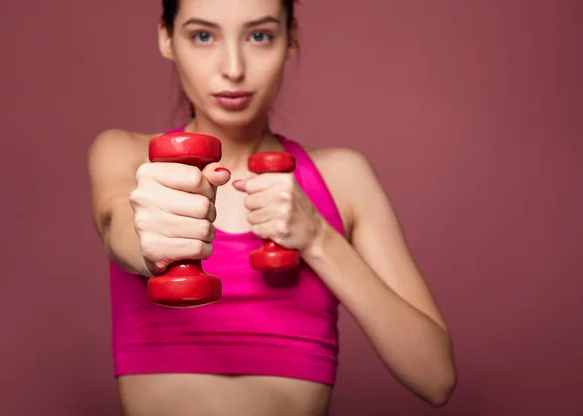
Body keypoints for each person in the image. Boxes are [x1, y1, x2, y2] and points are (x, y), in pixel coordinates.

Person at [87, 0, 457, 415]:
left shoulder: (342, 176)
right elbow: (118, 225)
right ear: (167, 38)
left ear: (290, 39)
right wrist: (151, 240)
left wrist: (318, 237)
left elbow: (435, 377)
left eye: (259, 35)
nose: (233, 68)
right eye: (203, 36)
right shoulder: (129, 155)